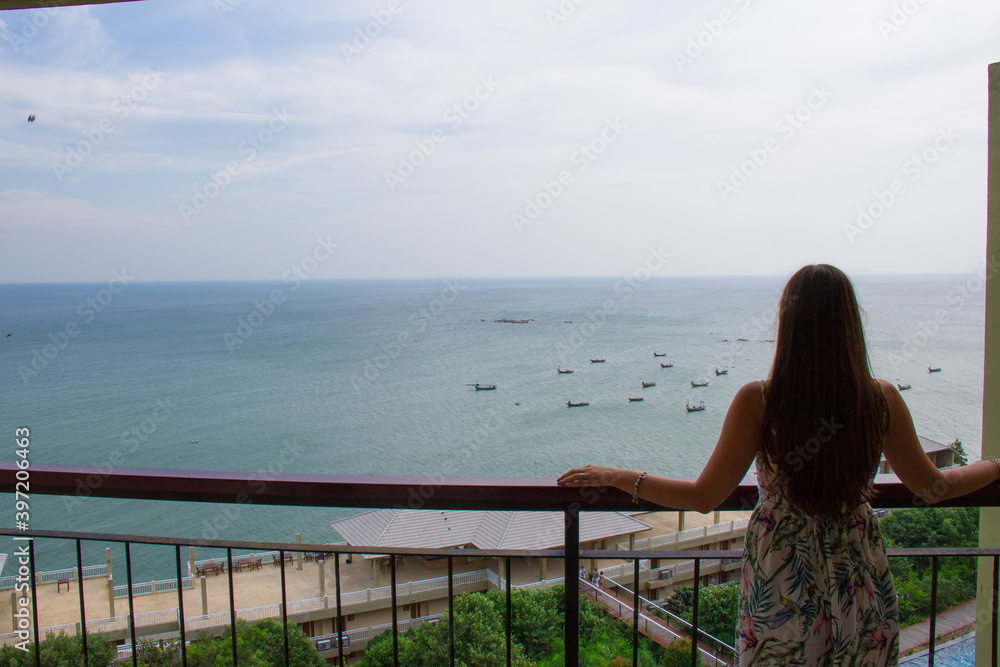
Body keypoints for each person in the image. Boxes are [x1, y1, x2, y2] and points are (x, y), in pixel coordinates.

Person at [558, 264, 1000, 666]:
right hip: (857, 568)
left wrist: (617, 476)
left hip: (782, 573)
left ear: (789, 323)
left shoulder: (761, 401)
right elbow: (934, 484)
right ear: (850, 323)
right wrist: (995, 465)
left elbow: (704, 496)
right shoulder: (879, 399)